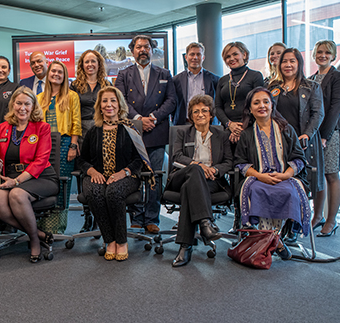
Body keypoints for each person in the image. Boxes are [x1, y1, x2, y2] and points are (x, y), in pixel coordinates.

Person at [234, 87, 311, 260]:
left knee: (288, 192)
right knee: (257, 191)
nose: (262, 106)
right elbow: (240, 163)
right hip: (257, 178)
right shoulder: (246, 134)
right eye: (256, 103)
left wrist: (285, 175)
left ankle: (269, 239)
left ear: (272, 105)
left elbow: (299, 159)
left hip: (284, 177)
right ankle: (276, 241)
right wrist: (260, 176)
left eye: (265, 102)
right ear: (250, 109)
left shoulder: (286, 129)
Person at [77, 86, 150, 261]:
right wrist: (92, 170)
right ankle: (109, 240)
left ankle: (122, 241)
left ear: (119, 104)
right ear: (99, 107)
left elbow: (139, 160)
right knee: (95, 192)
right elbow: (81, 160)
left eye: (113, 100)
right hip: (97, 176)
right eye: (104, 101)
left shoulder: (130, 129)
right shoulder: (93, 131)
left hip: (126, 176)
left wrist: (123, 173)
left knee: (114, 192)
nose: (109, 104)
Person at [115, 34, 177, 234]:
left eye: (146, 47)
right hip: (132, 133)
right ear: (133, 51)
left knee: (154, 177)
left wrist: (153, 118)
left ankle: (152, 218)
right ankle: (136, 216)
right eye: (139, 47)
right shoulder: (124, 74)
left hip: (157, 132)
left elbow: (171, 101)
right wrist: (139, 120)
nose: (143, 50)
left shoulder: (164, 73)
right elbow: (120, 100)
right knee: (133, 175)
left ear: (152, 50)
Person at [0, 86, 59, 263]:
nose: (22, 108)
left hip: (41, 177)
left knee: (17, 194)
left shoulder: (42, 127)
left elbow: (41, 161)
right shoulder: (3, 128)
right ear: (12, 105)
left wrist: (16, 181)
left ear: (33, 106)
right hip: (11, 177)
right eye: (18, 103)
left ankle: (34, 240)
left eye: (27, 104)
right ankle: (39, 233)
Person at [165, 94, 232, 267]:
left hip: (211, 181)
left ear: (211, 115)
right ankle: (205, 223)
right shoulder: (182, 132)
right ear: (190, 116)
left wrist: (216, 170)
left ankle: (185, 247)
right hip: (181, 176)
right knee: (194, 170)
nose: (200, 114)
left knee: (190, 189)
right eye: (195, 111)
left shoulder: (221, 135)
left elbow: (228, 162)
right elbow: (177, 156)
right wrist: (198, 165)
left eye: (204, 110)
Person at [268, 48, 324, 241]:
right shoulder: (272, 86)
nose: (288, 65)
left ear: (299, 63)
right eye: (284, 61)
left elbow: (318, 114)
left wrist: (307, 135)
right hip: (278, 143)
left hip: (302, 143)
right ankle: (277, 226)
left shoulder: (311, 86)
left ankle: (294, 226)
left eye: (292, 61)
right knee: (280, 183)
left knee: (299, 184)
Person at [309, 40, 340, 237]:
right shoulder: (310, 78)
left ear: (333, 55)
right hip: (313, 133)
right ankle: (317, 217)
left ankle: (331, 221)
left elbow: (335, 108)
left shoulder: (338, 76)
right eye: (319, 52)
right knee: (317, 174)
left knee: (331, 174)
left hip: (330, 132)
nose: (322, 55)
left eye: (327, 52)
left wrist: (324, 136)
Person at [37, 61, 81, 234]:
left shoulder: (72, 96)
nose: (56, 74)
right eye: (53, 71)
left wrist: (73, 145)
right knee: (43, 182)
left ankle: (57, 228)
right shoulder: (40, 98)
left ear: (64, 76)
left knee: (62, 183)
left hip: (64, 143)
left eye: (60, 72)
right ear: (48, 74)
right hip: (42, 144)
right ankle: (41, 227)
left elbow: (76, 122)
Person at [70, 50, 112, 232]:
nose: (90, 65)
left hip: (102, 132)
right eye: (86, 62)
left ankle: (101, 215)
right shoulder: (75, 86)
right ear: (82, 65)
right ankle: (88, 217)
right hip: (81, 132)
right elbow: (72, 112)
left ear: (99, 64)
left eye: (93, 61)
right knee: (83, 173)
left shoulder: (106, 84)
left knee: (102, 172)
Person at [215, 41, 264, 144]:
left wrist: (240, 128)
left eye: (235, 54)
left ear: (244, 54)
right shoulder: (222, 80)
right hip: (227, 130)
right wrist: (229, 124)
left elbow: (260, 104)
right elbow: (218, 107)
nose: (232, 58)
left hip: (250, 128)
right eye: (228, 56)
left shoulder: (255, 76)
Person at [173, 42, 220, 126]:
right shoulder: (176, 80)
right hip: (184, 124)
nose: (195, 57)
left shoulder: (214, 79)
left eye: (198, 54)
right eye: (192, 54)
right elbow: (173, 103)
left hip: (208, 124)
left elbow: (218, 103)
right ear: (186, 57)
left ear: (203, 58)